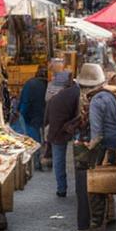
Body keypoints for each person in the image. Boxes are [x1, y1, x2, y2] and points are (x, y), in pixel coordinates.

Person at [74, 63, 116, 231]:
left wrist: (89, 147)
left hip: (103, 146)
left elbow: (97, 134)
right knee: (106, 181)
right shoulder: (110, 96)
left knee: (95, 186)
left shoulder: (96, 102)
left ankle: (96, 225)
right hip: (114, 144)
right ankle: (108, 216)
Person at [46, 69, 82, 197]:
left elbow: (46, 117)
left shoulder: (56, 96)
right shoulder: (77, 92)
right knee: (79, 158)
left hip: (57, 130)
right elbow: (79, 113)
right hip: (63, 128)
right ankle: (79, 187)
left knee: (59, 160)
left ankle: (61, 189)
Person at [16, 66, 48, 169]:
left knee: (34, 137)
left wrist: (20, 113)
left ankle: (36, 161)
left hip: (31, 114)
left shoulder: (30, 83)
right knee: (44, 137)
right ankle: (43, 158)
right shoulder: (48, 84)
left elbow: (24, 100)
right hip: (44, 114)